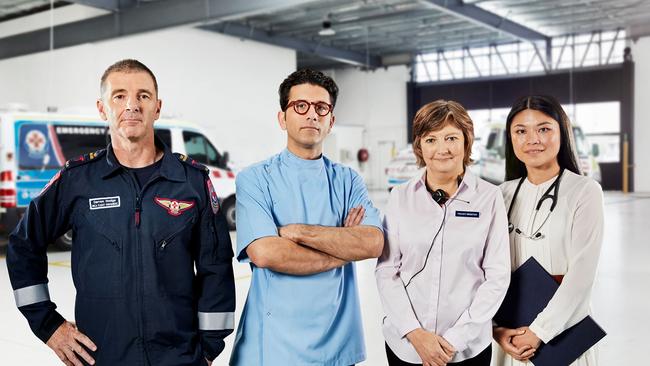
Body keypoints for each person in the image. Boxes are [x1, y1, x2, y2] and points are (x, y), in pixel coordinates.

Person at [6, 59, 235, 366]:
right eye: (119, 96)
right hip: (101, 356)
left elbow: (216, 268)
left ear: (157, 107)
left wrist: (208, 350)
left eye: (143, 95)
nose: (132, 105)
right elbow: (23, 245)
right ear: (102, 109)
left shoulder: (192, 182)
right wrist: (48, 326)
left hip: (178, 358)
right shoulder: (77, 180)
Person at [229, 69, 384, 366]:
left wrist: (297, 232)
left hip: (336, 344)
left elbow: (373, 242)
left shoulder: (348, 181)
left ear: (331, 121)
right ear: (282, 118)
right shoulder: (255, 179)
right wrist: (343, 247)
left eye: (321, 108)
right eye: (300, 106)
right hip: (272, 346)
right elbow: (266, 252)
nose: (311, 115)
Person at [376, 99, 511, 366]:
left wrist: (452, 342)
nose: (442, 149)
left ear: (466, 140)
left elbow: (497, 276)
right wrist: (415, 334)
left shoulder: (489, 197)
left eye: (451, 138)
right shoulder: (400, 197)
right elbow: (386, 270)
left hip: (467, 348)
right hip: (407, 346)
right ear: (419, 146)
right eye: (431, 139)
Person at [492, 95, 604, 366]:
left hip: (561, 332)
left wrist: (539, 332)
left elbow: (582, 274)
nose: (532, 139)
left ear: (561, 134)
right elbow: (485, 269)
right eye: (521, 131)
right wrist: (497, 329)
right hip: (511, 334)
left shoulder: (583, 191)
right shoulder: (501, 194)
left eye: (544, 129)